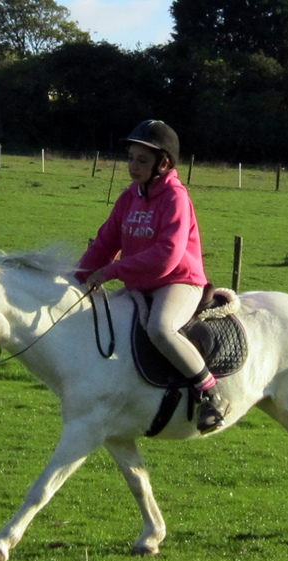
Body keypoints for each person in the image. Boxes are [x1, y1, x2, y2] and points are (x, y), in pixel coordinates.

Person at [76, 119, 227, 433]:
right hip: (142, 283)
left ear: (164, 163)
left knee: (161, 328)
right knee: (102, 317)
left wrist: (111, 271)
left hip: (179, 281)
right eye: (131, 158)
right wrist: (75, 278)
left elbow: (166, 256)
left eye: (142, 160)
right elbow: (105, 243)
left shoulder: (176, 198)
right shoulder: (129, 197)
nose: (133, 166)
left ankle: (211, 394)